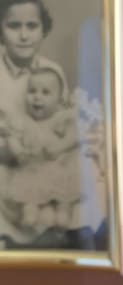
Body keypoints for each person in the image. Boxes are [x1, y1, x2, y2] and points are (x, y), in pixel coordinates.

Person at [3, 67, 81, 232]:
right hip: (32, 169)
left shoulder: (60, 118)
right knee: (28, 192)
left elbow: (75, 137)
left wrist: (60, 147)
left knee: (63, 191)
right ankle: (29, 212)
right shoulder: (23, 121)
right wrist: (18, 151)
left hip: (58, 167)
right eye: (32, 91)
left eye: (46, 93)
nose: (37, 97)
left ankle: (63, 210)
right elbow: (12, 137)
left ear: (59, 100)